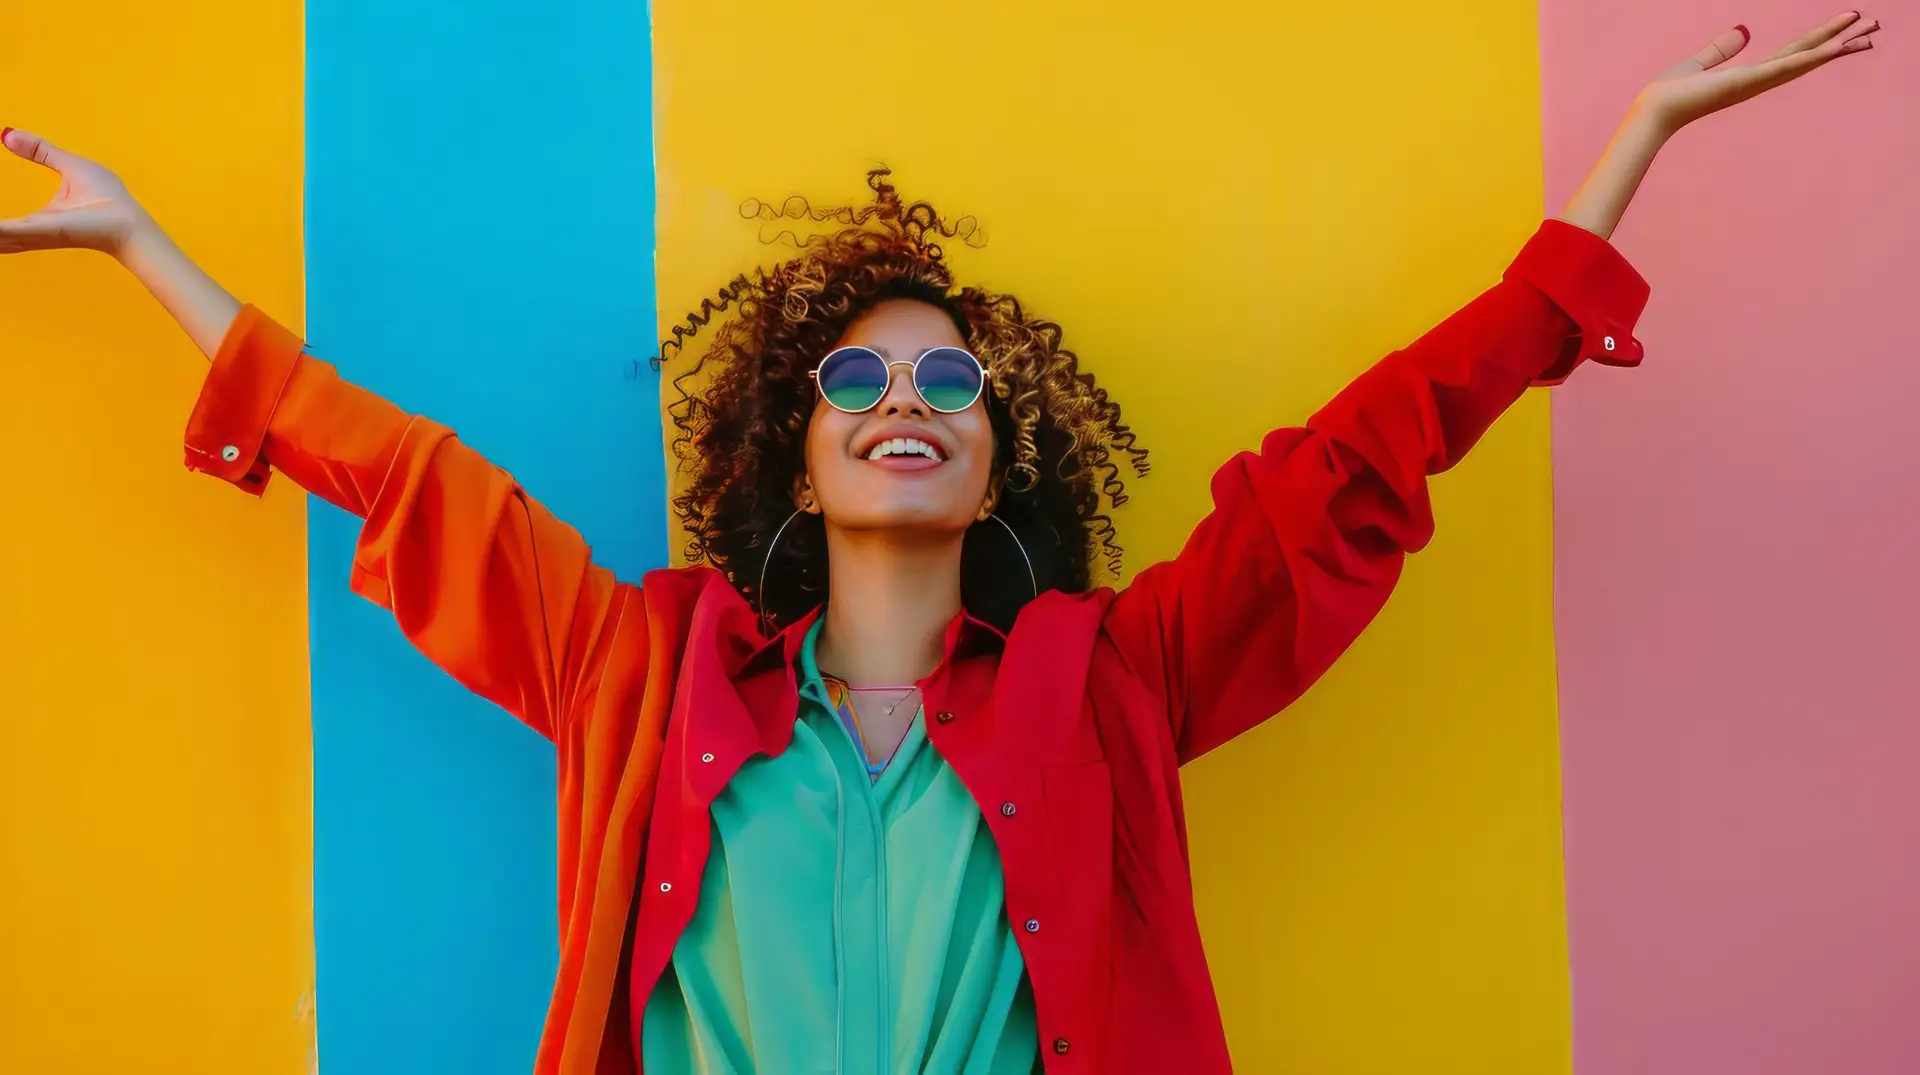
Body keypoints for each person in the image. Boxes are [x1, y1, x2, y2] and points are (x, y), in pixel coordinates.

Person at [0, 13, 1879, 1075]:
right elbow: (413, 490)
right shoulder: (638, 671)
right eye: (857, 374)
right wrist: (151, 255)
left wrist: (1616, 163)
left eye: (950, 378)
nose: (907, 393)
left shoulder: (1111, 682)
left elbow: (1356, 471)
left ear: (992, 467)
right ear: (800, 461)